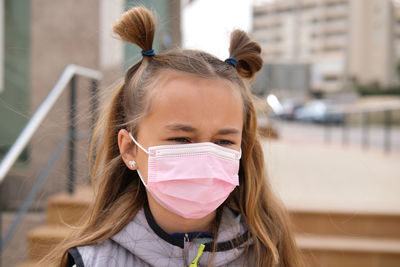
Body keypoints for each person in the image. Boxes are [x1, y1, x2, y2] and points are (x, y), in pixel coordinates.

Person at [41, 6, 304, 267]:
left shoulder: (266, 256)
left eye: (224, 141)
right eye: (181, 139)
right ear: (129, 149)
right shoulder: (95, 260)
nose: (205, 156)